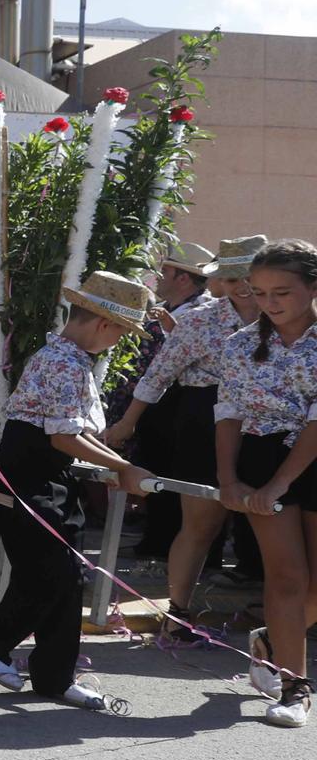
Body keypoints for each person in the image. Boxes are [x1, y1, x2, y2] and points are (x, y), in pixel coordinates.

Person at [0, 272, 151, 710]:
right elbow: (62, 436)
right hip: (26, 477)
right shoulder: (63, 361)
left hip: (47, 477)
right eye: (122, 332)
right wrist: (122, 466)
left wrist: (113, 462)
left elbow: (66, 435)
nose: (118, 340)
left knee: (64, 578)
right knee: (53, 573)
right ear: (105, 325)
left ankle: (53, 675)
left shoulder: (67, 359)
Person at [105, 238, 265, 638]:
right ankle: (178, 613)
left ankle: (270, 613)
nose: (240, 285)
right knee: (200, 524)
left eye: (247, 276)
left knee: (270, 521)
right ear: (220, 281)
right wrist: (126, 424)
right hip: (205, 420)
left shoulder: (283, 316)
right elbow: (157, 375)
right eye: (230, 277)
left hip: (266, 424)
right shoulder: (201, 320)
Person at [216, 240, 317, 728]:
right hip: (263, 454)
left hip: (307, 458)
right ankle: (296, 687)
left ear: (313, 287)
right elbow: (229, 414)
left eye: (282, 291)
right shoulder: (239, 345)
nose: (270, 302)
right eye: (258, 293)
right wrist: (228, 478)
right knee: (287, 577)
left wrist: (280, 484)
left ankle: (271, 642)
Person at [117, 241, 217, 558]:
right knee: (157, 466)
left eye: (166, 270)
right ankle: (157, 538)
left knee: (175, 472)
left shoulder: (199, 314)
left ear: (183, 278)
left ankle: (166, 543)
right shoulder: (171, 309)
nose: (159, 275)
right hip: (159, 404)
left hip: (179, 402)